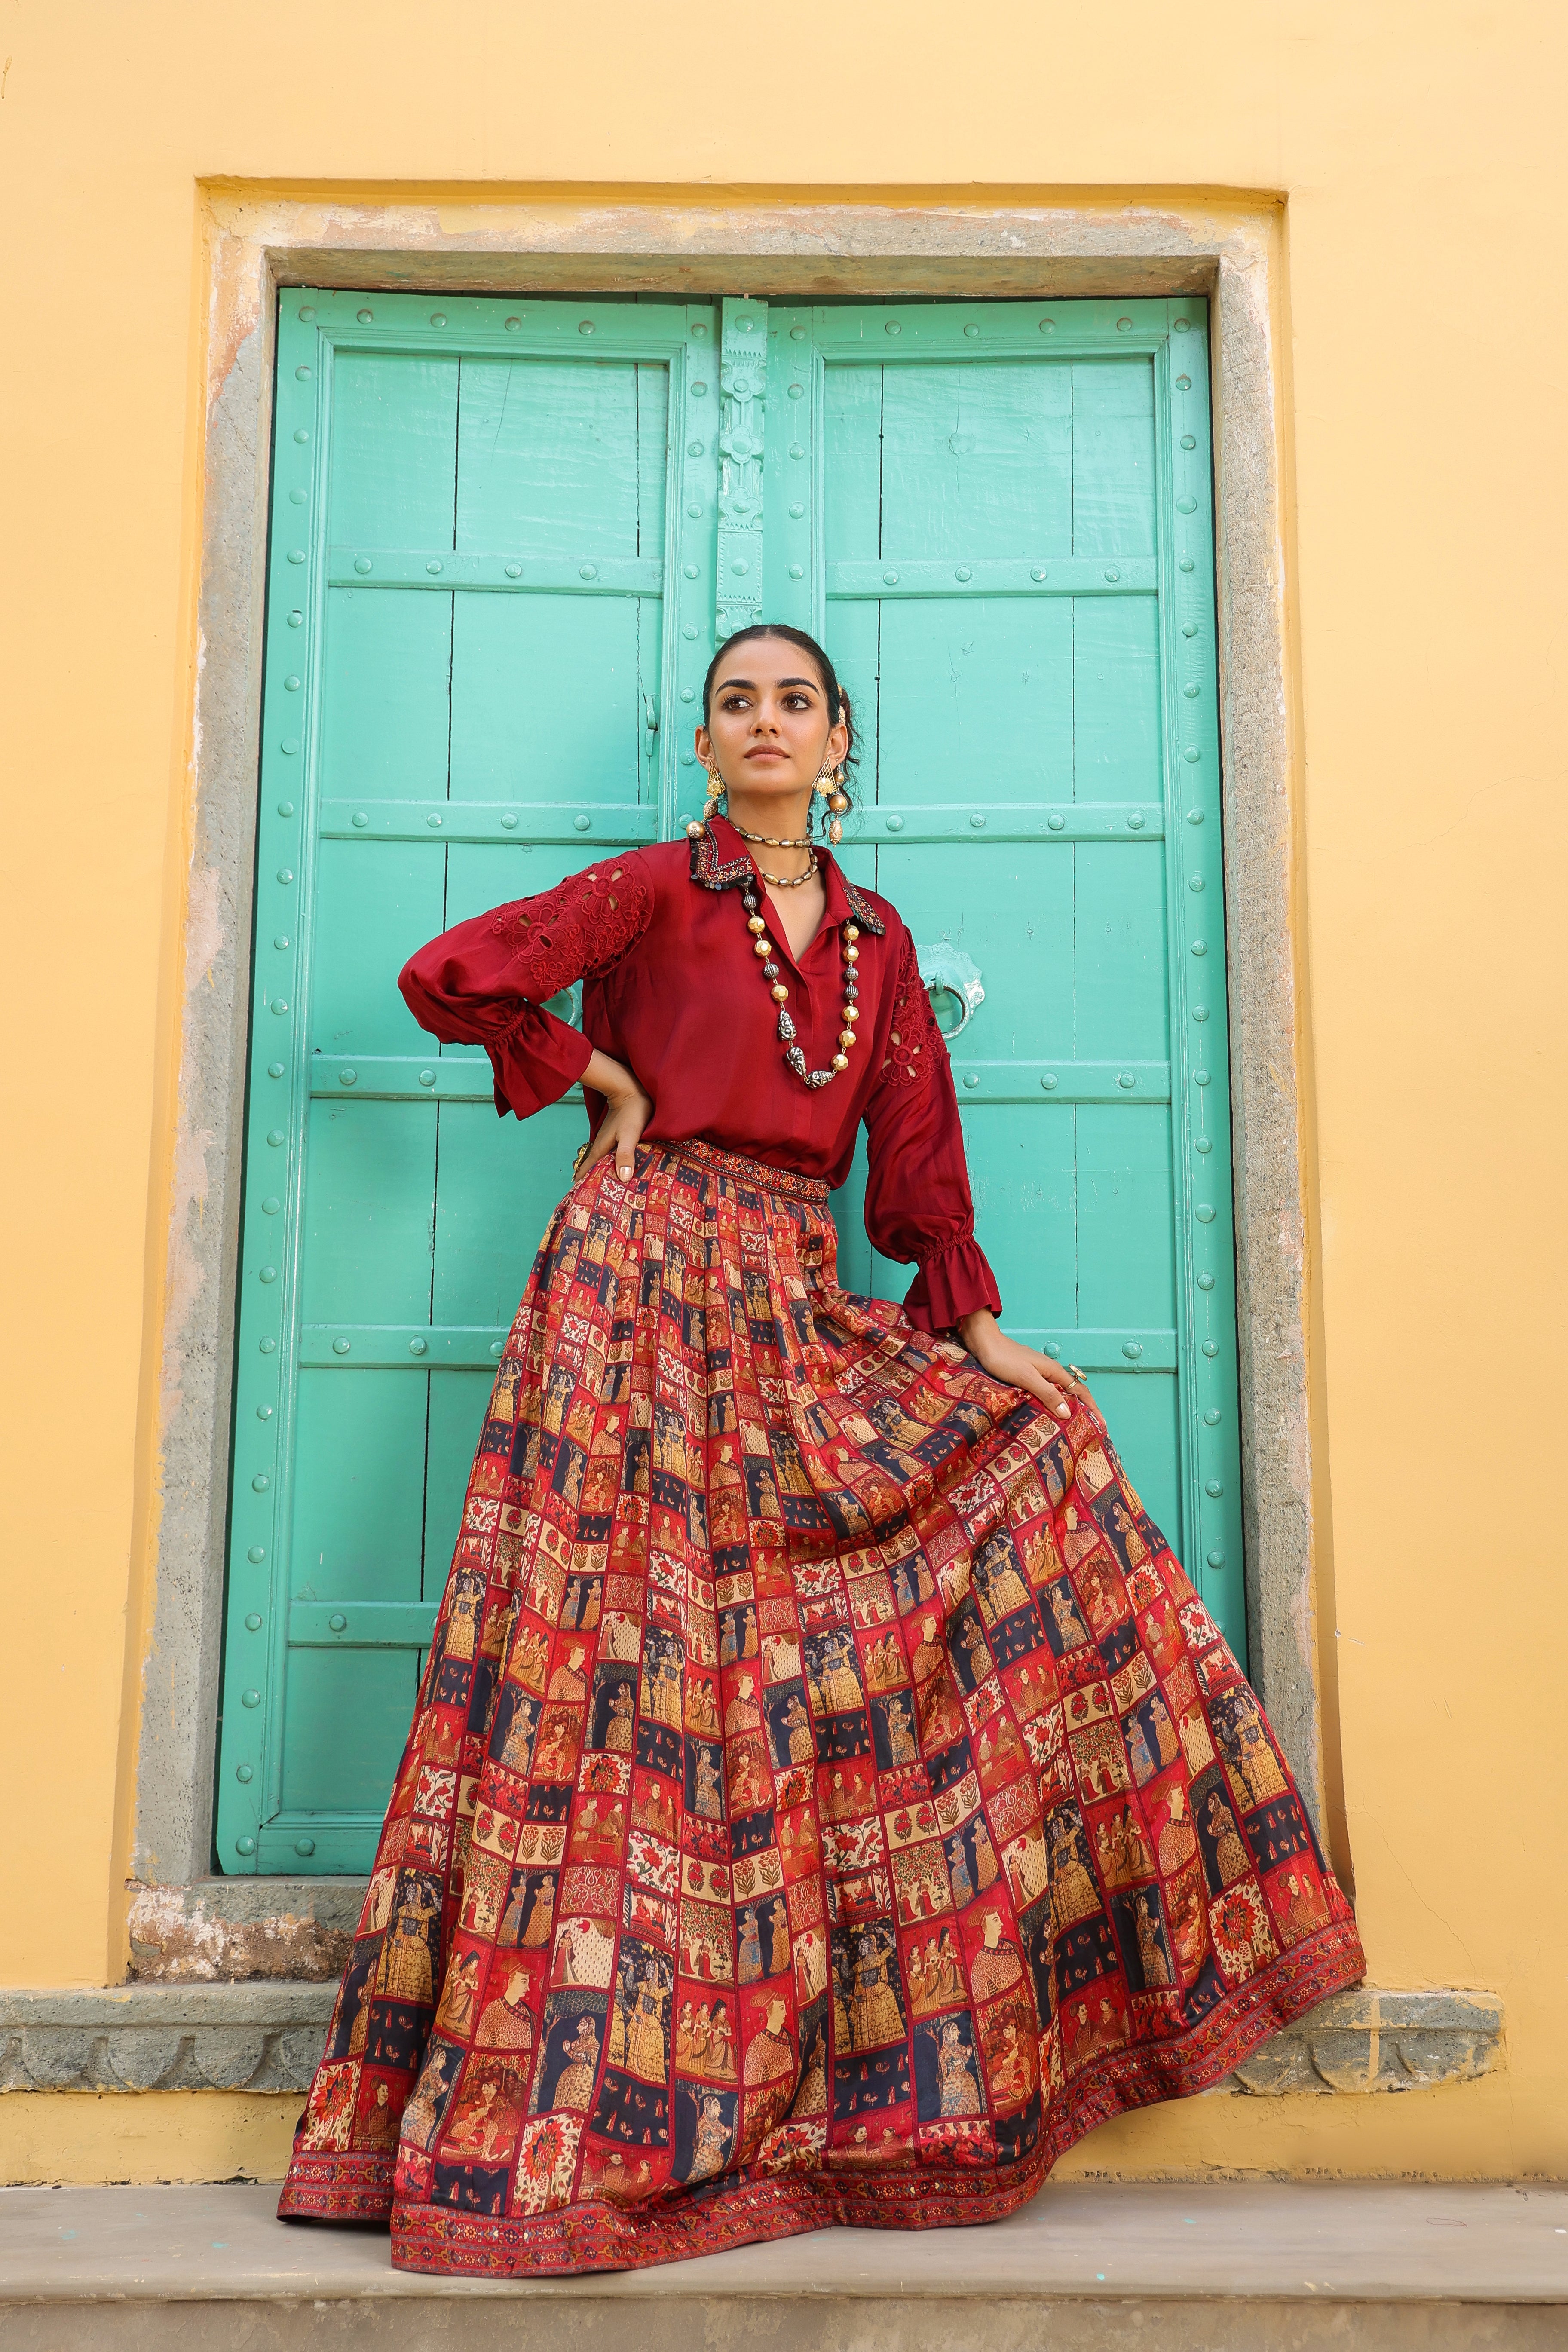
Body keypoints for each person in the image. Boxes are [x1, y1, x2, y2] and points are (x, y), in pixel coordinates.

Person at [280, 623, 1364, 2273]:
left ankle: (841, 2050)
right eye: (738, 704)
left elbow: (916, 1146)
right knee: (622, 1668)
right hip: (632, 1293)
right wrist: (594, 1069)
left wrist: (978, 1325)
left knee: (1018, 1464)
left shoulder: (873, 935)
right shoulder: (649, 890)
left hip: (789, 1290)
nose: (766, 724)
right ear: (703, 743)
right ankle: (584, 2083)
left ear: (840, 737)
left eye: (795, 702)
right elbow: (458, 973)